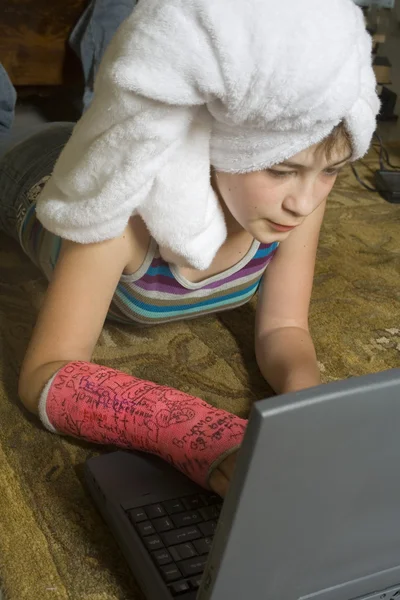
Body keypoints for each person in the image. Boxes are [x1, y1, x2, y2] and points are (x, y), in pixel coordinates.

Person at [0, 0, 379, 499]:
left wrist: (304, 415)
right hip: (28, 167)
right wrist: (197, 434)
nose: (304, 202)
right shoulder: (122, 219)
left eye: (329, 171)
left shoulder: (297, 204)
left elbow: (284, 328)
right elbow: (45, 372)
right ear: (217, 143)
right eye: (281, 170)